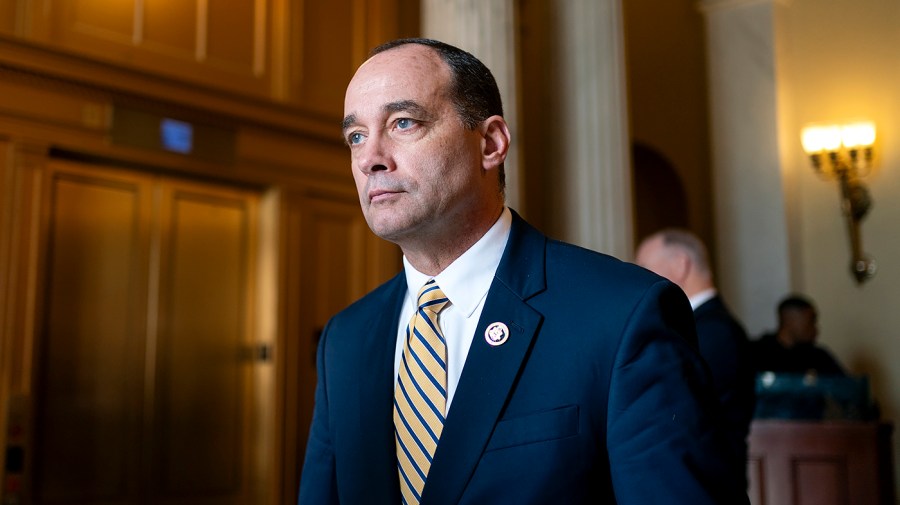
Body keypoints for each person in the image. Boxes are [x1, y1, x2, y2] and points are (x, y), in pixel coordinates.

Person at [298, 38, 748, 505]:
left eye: (403, 123)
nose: (371, 158)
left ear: (490, 144)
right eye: (355, 136)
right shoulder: (345, 340)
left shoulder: (623, 316)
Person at [635, 228, 756, 491]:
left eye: (644, 267)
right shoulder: (704, 326)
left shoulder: (712, 331)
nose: (639, 278)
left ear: (680, 265)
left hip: (707, 482)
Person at [750, 294, 846, 376]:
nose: (815, 329)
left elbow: (846, 388)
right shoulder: (756, 353)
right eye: (811, 322)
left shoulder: (818, 357)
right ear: (790, 321)